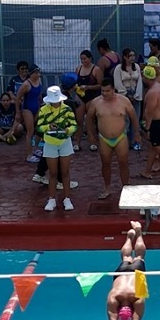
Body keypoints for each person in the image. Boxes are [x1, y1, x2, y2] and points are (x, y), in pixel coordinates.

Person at [88, 77, 138, 200]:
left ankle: (126, 187)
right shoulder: (96, 102)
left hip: (120, 136)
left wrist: (137, 134)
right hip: (104, 138)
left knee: (123, 163)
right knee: (105, 163)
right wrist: (90, 134)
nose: (104, 94)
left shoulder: (124, 101)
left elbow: (134, 118)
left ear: (113, 90)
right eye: (102, 91)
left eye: (107, 91)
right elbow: (88, 118)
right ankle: (107, 187)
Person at [37, 84, 79, 212]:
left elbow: (74, 125)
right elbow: (39, 127)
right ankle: (51, 199)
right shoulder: (43, 110)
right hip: (50, 143)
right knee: (53, 173)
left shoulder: (67, 109)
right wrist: (48, 127)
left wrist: (68, 130)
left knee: (65, 172)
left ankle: (67, 198)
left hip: (65, 142)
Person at [106, 222, 148, 320]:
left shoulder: (138, 299)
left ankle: (138, 232)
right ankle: (131, 236)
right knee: (125, 257)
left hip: (137, 276)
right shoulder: (113, 297)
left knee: (139, 257)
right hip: (121, 273)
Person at [15, 66, 47, 163]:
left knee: (38, 129)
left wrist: (42, 104)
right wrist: (17, 113)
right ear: (31, 74)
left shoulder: (39, 81)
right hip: (27, 109)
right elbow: (17, 98)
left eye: (39, 73)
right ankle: (29, 155)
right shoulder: (26, 84)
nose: (38, 75)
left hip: (36, 108)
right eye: (36, 73)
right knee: (30, 132)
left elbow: (39, 95)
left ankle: (36, 148)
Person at [114, 48, 144, 150]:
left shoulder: (137, 67)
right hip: (124, 95)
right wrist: (126, 95)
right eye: (130, 56)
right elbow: (117, 83)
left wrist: (136, 95)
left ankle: (134, 141)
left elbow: (139, 82)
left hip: (135, 94)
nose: (132, 58)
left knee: (135, 119)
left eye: (133, 56)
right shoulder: (118, 68)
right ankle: (124, 142)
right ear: (125, 57)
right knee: (125, 119)